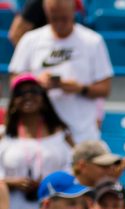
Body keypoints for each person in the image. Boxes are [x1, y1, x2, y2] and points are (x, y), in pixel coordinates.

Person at [8, 0, 113, 143]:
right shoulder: (30, 40)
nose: (59, 24)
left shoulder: (93, 41)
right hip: (42, 136)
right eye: (53, 18)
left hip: (82, 134)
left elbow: (105, 88)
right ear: (46, 13)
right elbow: (15, 82)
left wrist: (79, 88)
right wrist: (36, 83)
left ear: (73, 12)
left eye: (64, 18)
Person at [0, 73, 72, 209]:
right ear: (14, 100)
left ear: (43, 98)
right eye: (21, 93)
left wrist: (47, 184)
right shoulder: (3, 135)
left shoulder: (62, 134)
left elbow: (74, 170)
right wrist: (11, 183)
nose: (28, 96)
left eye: (34, 91)